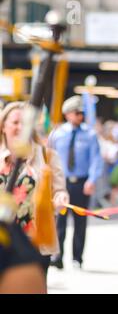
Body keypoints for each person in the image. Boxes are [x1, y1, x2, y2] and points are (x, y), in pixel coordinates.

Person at [0, 102, 69, 276]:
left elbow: (59, 190)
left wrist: (61, 198)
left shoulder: (48, 156)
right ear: (3, 126)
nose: (20, 127)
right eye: (15, 122)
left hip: (35, 242)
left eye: (25, 123)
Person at [48, 95, 103, 270]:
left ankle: (77, 258)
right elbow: (49, 158)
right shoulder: (57, 134)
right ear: (67, 114)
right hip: (61, 184)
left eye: (82, 113)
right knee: (59, 222)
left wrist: (92, 179)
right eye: (77, 113)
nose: (80, 116)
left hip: (81, 183)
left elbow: (96, 159)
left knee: (80, 222)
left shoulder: (90, 134)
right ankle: (57, 256)